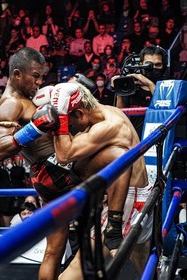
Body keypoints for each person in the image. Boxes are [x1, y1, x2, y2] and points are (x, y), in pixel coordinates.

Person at [0, 47, 79, 279]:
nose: (40, 82)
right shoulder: (12, 103)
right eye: (35, 76)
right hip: (59, 172)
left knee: (54, 249)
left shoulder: (28, 97)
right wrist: (34, 127)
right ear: (17, 74)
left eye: (42, 76)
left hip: (51, 175)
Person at [48, 82, 150, 278]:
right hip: (131, 196)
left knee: (70, 277)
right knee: (146, 268)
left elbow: (64, 154)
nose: (71, 128)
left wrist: (58, 120)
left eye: (70, 122)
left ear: (79, 113)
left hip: (126, 203)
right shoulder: (107, 111)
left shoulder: (109, 126)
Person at [114, 45, 168, 135]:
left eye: (158, 65)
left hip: (158, 137)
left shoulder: (167, 86)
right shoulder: (131, 85)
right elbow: (120, 116)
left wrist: (149, 84)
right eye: (148, 65)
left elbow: (163, 108)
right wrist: (119, 90)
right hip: (135, 139)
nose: (153, 68)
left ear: (164, 66)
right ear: (141, 64)